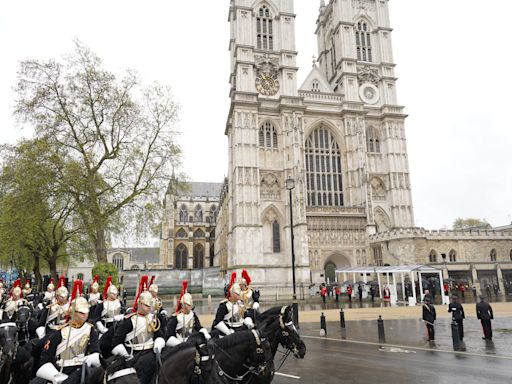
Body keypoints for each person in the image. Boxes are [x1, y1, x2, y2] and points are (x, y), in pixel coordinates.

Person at [32, 280, 101, 384]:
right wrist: (54, 375)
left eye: (86, 312)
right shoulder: (58, 332)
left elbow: (95, 350)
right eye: (81, 313)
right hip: (61, 370)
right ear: (73, 312)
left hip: (83, 369)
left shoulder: (91, 330)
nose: (85, 315)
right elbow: (46, 358)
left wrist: (91, 358)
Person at [111, 275, 165, 384]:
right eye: (146, 305)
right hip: (134, 354)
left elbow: (159, 334)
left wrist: (159, 342)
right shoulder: (129, 320)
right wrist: (126, 355)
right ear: (140, 303)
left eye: (150, 306)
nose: (149, 308)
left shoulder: (153, 318)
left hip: (151, 351)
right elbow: (116, 341)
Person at [165, 280, 210, 347]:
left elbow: (198, 327)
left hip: (192, 341)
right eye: (188, 305)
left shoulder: (193, 315)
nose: (190, 307)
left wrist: (205, 333)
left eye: (190, 305)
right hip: (179, 343)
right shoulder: (175, 317)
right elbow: (169, 335)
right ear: (182, 305)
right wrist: (179, 345)